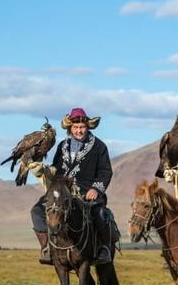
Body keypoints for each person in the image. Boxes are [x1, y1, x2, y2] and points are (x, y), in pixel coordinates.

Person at [29, 108, 115, 265]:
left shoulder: (99, 146)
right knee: (37, 210)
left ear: (87, 127)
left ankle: (104, 249)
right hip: (63, 192)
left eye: (82, 127)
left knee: (100, 213)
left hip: (87, 192)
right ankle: (47, 247)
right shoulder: (62, 146)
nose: (79, 131)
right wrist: (44, 171)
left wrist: (96, 189)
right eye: (75, 127)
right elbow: (56, 169)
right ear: (70, 128)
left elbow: (105, 171)